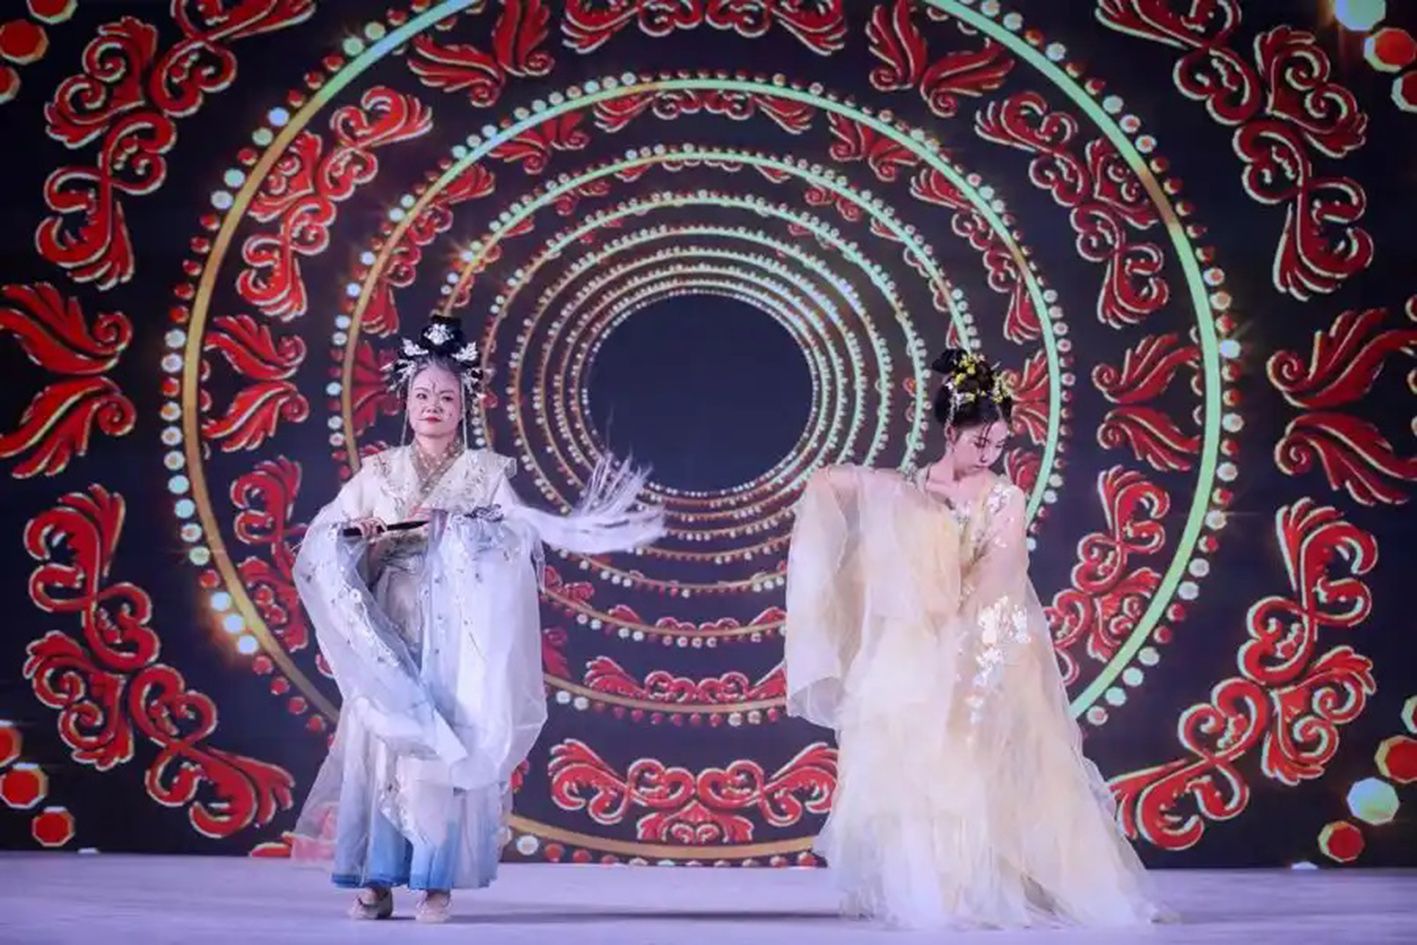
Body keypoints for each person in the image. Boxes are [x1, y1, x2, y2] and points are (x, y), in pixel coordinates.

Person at [291, 314, 663, 922]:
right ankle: (376, 878)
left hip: (455, 627)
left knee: (446, 742)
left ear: (464, 405)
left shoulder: (486, 473)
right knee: (383, 739)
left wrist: (454, 528)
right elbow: (325, 531)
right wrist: (355, 532)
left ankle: (436, 880)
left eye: (445, 396)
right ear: (405, 401)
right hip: (392, 617)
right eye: (422, 395)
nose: (432, 406)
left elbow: (517, 540)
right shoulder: (380, 471)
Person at [784, 348, 1164, 929]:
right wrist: (842, 488)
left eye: (998, 443)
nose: (988, 453)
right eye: (979, 440)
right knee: (911, 756)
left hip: (987, 638)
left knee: (978, 755)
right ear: (951, 432)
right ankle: (933, 885)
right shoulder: (911, 489)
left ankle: (992, 881)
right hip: (923, 637)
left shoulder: (1004, 498)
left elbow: (998, 571)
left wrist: (959, 639)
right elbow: (850, 493)